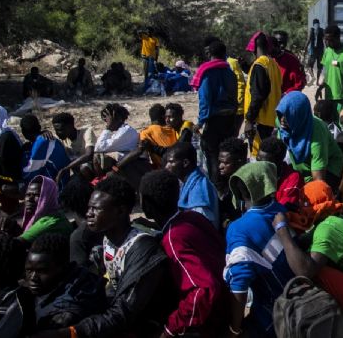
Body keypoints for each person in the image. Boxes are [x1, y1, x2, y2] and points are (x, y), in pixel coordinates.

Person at [62, 175, 173, 338]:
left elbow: (125, 311)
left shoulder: (142, 247)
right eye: (89, 208)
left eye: (96, 209)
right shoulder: (108, 238)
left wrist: (72, 332)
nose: (88, 214)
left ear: (120, 211)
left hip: (150, 325)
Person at [273, 180, 343, 329]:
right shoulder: (335, 219)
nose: (300, 207)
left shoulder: (327, 229)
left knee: (317, 272)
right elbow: (307, 238)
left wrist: (282, 230)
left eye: (303, 203)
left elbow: (305, 272)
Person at [139, 170, 226, 336]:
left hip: (209, 321)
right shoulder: (192, 217)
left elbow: (203, 290)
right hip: (225, 301)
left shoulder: (173, 239)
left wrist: (170, 329)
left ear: (147, 207)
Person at [223, 161, 296, 337]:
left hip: (273, 313)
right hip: (298, 296)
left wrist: (235, 328)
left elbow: (239, 286)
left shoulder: (238, 229)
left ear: (240, 192)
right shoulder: (279, 210)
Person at [24, 234, 106, 332]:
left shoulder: (62, 316)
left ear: (62, 267)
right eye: (29, 270)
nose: (33, 278)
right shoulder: (78, 274)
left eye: (42, 271)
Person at [276, 91, 343, 187]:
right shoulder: (282, 123)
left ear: (298, 114)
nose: (282, 119)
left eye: (288, 114)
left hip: (328, 168)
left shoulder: (317, 133)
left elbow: (319, 181)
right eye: (281, 114)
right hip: (302, 168)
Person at [193, 39, 239, 179]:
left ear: (209, 54)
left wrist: (200, 122)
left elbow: (205, 99)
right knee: (227, 155)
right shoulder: (230, 72)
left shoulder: (207, 72)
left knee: (213, 157)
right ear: (224, 54)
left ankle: (216, 189)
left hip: (215, 120)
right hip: (230, 119)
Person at [242, 33, 284, 159]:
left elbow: (258, 95)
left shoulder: (259, 65)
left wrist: (249, 120)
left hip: (259, 121)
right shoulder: (273, 64)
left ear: (255, 47)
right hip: (272, 119)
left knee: (258, 158)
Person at [0, 175, 73, 242]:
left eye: (37, 195)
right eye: (28, 195)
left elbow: (14, 245)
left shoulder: (47, 223)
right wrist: (13, 226)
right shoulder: (55, 215)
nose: (30, 199)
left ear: (49, 197)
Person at [163, 142, 220, 227]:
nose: (166, 167)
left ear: (185, 163)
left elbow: (201, 227)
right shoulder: (190, 182)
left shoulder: (198, 190)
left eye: (171, 162)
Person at [88, 103, 140, 183]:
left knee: (99, 160)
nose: (106, 121)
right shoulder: (121, 130)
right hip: (120, 165)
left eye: (108, 118)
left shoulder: (125, 131)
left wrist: (108, 128)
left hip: (126, 166)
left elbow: (99, 147)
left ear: (118, 118)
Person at [20, 114, 70, 185]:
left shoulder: (42, 142)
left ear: (23, 132)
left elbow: (30, 173)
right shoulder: (39, 140)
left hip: (59, 184)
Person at [51, 113, 96, 184]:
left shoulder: (86, 132)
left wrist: (66, 169)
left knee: (83, 168)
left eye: (60, 130)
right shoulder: (63, 140)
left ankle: (93, 186)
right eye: (56, 130)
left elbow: (89, 155)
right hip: (78, 173)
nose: (58, 133)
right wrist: (44, 132)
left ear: (70, 126)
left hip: (93, 169)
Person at [216, 137, 247, 225]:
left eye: (226, 163)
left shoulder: (245, 184)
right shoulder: (223, 180)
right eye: (220, 162)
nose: (220, 166)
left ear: (239, 161)